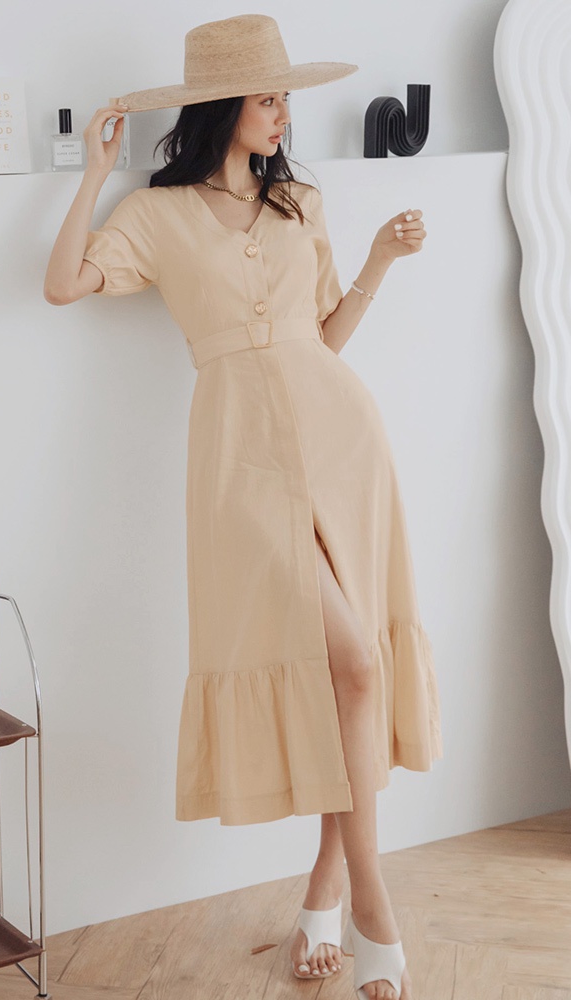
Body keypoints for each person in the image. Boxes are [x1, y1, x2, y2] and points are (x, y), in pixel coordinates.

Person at [44, 14, 442, 1000]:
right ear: (224, 107)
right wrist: (94, 175)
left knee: (355, 671)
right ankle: (369, 903)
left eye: (285, 99)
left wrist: (379, 262)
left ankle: (327, 890)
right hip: (239, 462)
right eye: (269, 99)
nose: (283, 115)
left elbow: (324, 337)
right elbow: (62, 285)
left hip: (341, 439)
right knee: (348, 661)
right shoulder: (157, 214)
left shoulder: (300, 202)